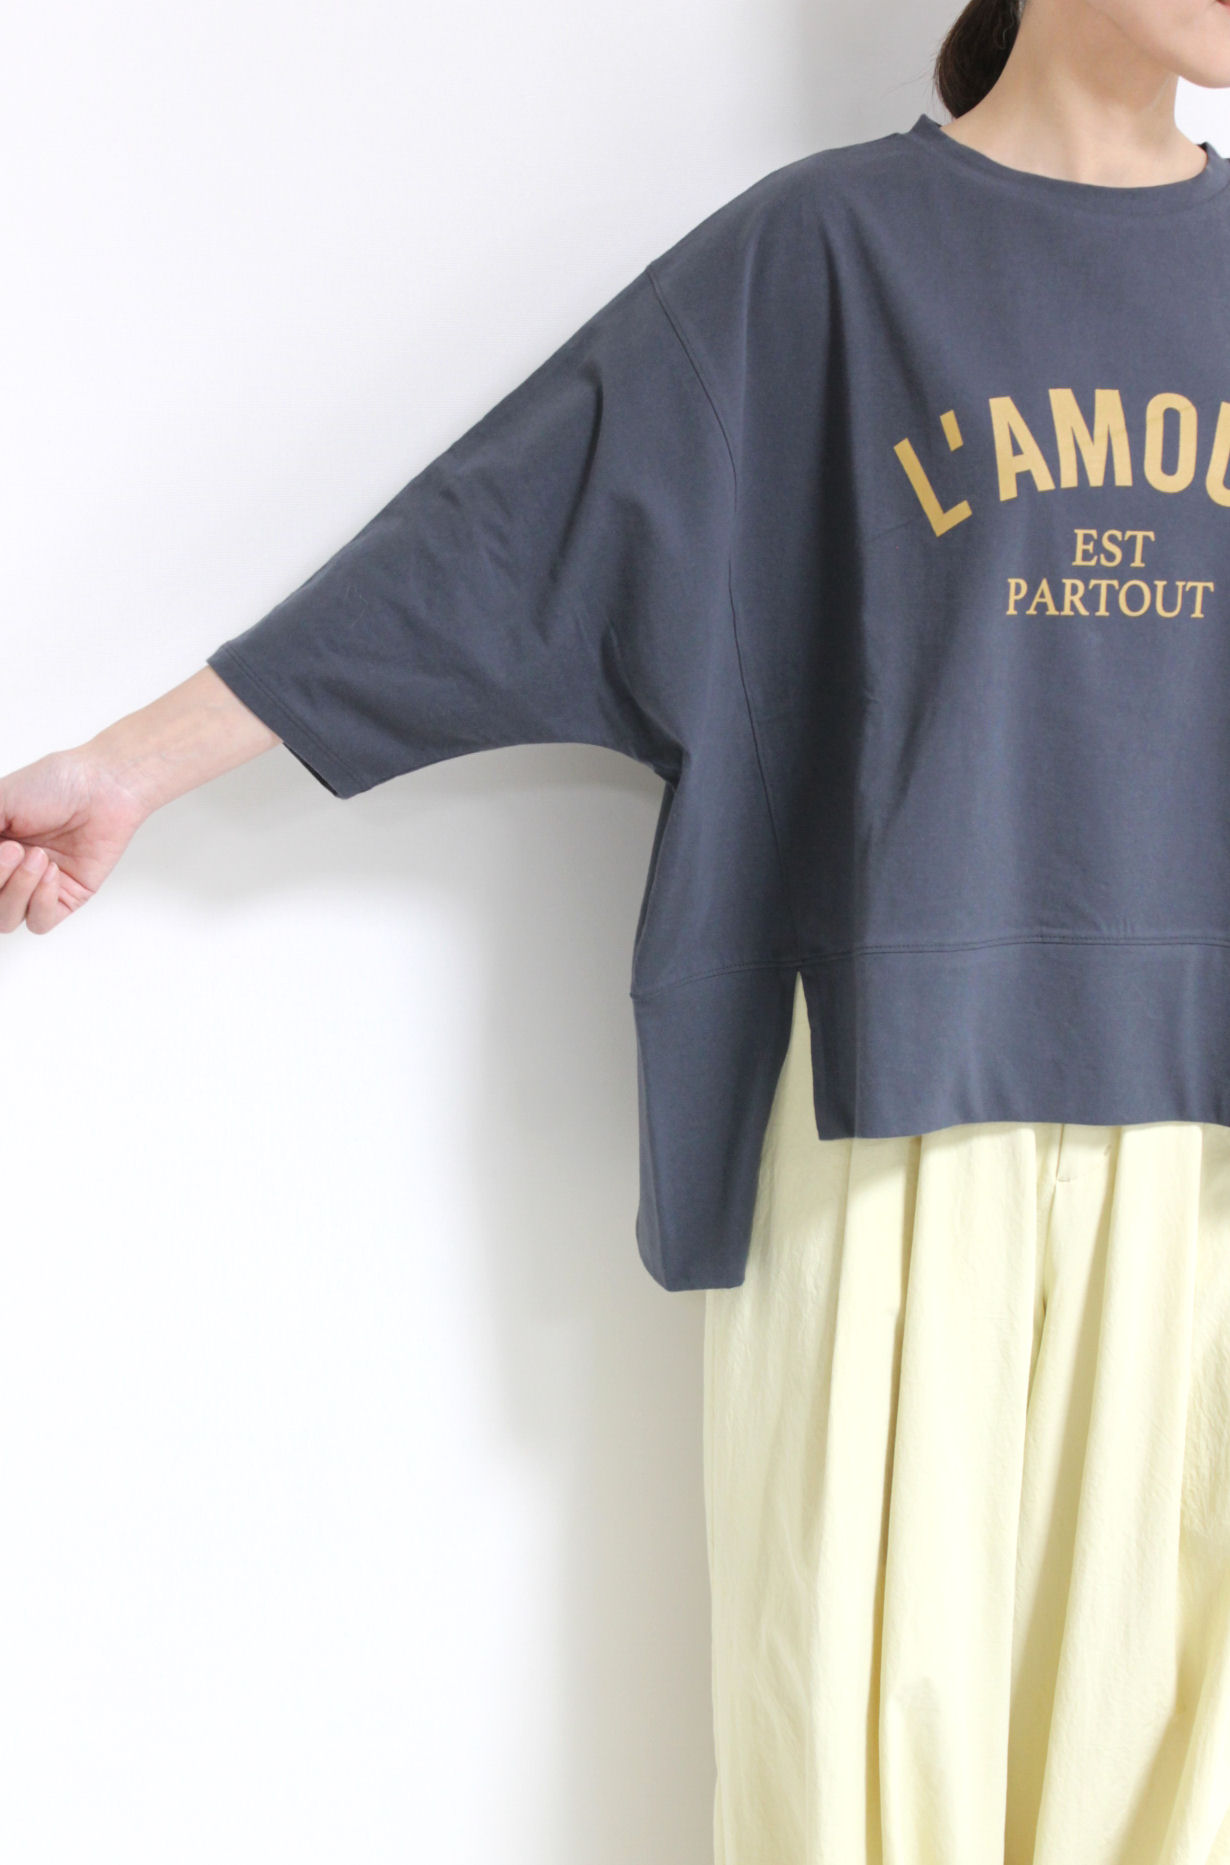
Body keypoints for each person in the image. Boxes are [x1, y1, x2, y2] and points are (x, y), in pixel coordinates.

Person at [4, 0, 1230, 1856]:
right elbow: (504, 534)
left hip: (1207, 1133)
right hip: (894, 1105)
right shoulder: (826, 259)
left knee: (1175, 1764)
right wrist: (130, 766)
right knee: (859, 1749)